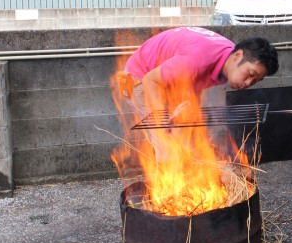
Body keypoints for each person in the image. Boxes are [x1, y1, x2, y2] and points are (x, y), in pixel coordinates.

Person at [118, 26, 279, 160]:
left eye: (255, 80)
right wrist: (165, 125)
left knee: (189, 138)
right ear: (238, 56)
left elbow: (194, 80)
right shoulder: (200, 57)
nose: (248, 83)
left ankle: (194, 186)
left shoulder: (227, 59)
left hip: (166, 80)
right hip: (141, 77)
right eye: (250, 74)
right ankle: (170, 194)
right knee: (167, 146)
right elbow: (150, 81)